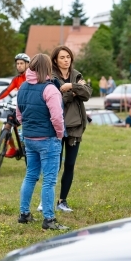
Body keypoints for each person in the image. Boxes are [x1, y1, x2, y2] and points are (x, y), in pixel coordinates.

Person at [16, 54, 68, 230]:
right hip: (48, 139)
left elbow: (19, 115)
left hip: (29, 138)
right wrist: (59, 135)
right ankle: (49, 219)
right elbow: (57, 117)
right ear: (48, 69)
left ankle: (24, 214)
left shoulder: (22, 87)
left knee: (31, 175)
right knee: (49, 180)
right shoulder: (50, 89)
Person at [41, 45, 92, 213]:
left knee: (69, 164)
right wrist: (75, 91)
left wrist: (70, 86)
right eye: (62, 57)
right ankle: (45, 200)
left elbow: (87, 94)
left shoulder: (77, 75)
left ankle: (62, 201)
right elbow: (59, 99)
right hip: (56, 126)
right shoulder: (50, 77)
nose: (66, 60)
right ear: (55, 60)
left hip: (75, 127)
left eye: (68, 57)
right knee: (53, 165)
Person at [0, 53, 30, 158]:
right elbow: (7, 90)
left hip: (30, 110)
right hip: (19, 108)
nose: (19, 66)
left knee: (28, 134)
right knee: (8, 124)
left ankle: (27, 148)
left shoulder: (32, 78)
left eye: (22, 63)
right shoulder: (16, 79)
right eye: (17, 64)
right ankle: (13, 148)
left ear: (27, 65)